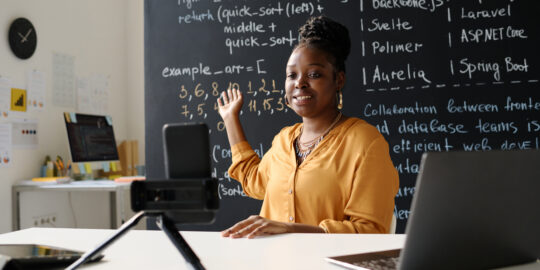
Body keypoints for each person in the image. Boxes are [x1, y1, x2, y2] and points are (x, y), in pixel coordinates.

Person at [217, 16, 399, 239]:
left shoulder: (365, 142)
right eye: (291, 75)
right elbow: (253, 180)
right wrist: (230, 118)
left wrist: (289, 229)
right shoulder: (284, 140)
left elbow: (371, 231)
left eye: (314, 75)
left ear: (338, 80)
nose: (299, 83)